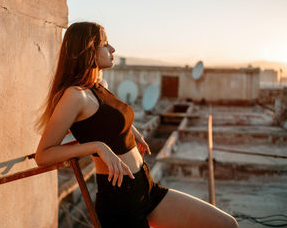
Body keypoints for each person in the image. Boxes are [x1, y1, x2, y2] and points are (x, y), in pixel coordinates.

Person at [35, 22, 238, 228]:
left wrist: (131, 130)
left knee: (226, 224)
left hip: (146, 185)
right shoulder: (74, 96)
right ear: (87, 49)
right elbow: (43, 155)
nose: (112, 49)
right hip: (120, 199)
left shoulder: (99, 86)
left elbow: (106, 119)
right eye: (105, 44)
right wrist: (97, 147)